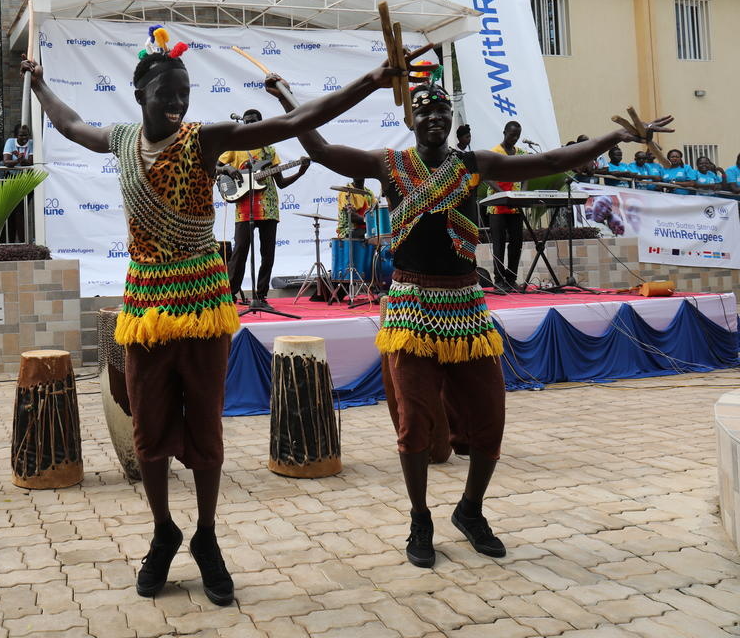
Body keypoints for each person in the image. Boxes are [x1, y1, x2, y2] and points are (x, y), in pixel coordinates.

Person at [20, 26, 420, 606]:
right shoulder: (123, 140)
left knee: (206, 426)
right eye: (166, 94)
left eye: (183, 93)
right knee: (147, 427)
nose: (177, 103)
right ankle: (163, 530)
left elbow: (287, 125)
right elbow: (70, 125)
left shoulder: (204, 140)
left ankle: (206, 535)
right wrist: (38, 84)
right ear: (140, 95)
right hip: (146, 307)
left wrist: (371, 81)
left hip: (204, 307)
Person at [274, 79, 673, 568]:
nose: (434, 117)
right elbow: (318, 145)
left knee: (490, 418)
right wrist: (286, 99)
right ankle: (420, 518)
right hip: (410, 305)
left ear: (449, 119)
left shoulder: (473, 165)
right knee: (414, 422)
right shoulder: (387, 165)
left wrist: (614, 140)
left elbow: (549, 163)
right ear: (410, 121)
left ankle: (470, 510)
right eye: (424, 111)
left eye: (441, 110)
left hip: (466, 307)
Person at [217, 110, 309, 304]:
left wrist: (300, 172)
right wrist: (227, 168)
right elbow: (214, 167)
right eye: (247, 122)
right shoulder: (235, 147)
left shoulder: (270, 151)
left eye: (254, 122)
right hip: (245, 208)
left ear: (261, 123)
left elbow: (281, 183)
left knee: (268, 254)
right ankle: (230, 294)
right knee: (240, 252)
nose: (250, 125)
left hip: (269, 208)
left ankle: (261, 295)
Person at [487, 122, 526, 291]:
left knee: (516, 242)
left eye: (517, 135)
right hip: (497, 205)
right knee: (499, 243)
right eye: (512, 135)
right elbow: (486, 175)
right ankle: (499, 280)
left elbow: (527, 173)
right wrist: (503, 193)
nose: (515, 138)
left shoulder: (521, 153)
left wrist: (523, 195)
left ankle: (511, 279)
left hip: (515, 204)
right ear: (504, 133)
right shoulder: (494, 153)